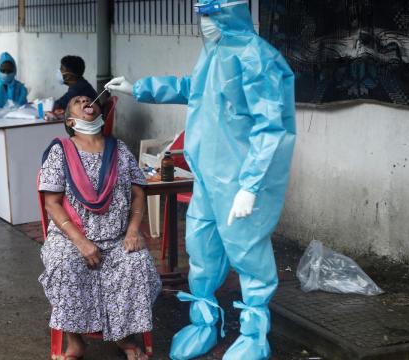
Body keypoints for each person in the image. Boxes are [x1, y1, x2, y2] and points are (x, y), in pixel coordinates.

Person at [105, 1, 296, 359]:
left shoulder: (258, 58)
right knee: (201, 246)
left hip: (240, 179)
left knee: (247, 251)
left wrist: (251, 185)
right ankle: (205, 321)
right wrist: (138, 88)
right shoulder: (215, 52)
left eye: (210, 15)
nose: (204, 23)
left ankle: (255, 335)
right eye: (202, 16)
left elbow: (271, 128)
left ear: (231, 12)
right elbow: (193, 87)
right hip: (208, 175)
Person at [39, 96, 161, 360]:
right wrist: (81, 243)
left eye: (89, 99)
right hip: (71, 237)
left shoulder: (119, 149)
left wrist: (132, 231)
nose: (86, 101)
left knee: (137, 264)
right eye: (78, 102)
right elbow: (52, 203)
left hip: (117, 236)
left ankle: (124, 335)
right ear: (70, 121)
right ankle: (75, 339)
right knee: (64, 265)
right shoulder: (60, 150)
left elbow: (138, 192)